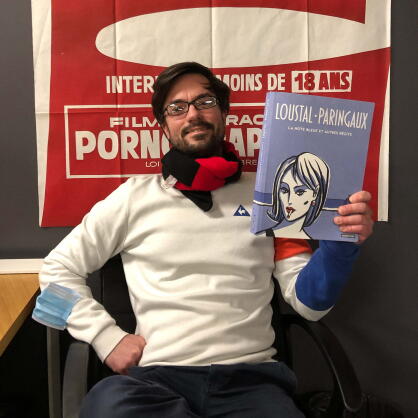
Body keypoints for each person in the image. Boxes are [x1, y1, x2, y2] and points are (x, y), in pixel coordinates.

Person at [37, 62, 374, 418]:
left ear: (224, 112)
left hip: (251, 382)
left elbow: (310, 306)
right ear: (163, 125)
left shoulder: (272, 195)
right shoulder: (133, 198)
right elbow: (55, 270)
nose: (193, 114)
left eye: (205, 101)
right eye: (177, 107)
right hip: (156, 381)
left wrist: (340, 243)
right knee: (107, 406)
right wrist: (106, 338)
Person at [267, 152, 330, 239]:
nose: (290, 200)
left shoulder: (317, 240)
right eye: (284, 190)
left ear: (315, 193)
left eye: (300, 192)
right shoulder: (263, 237)